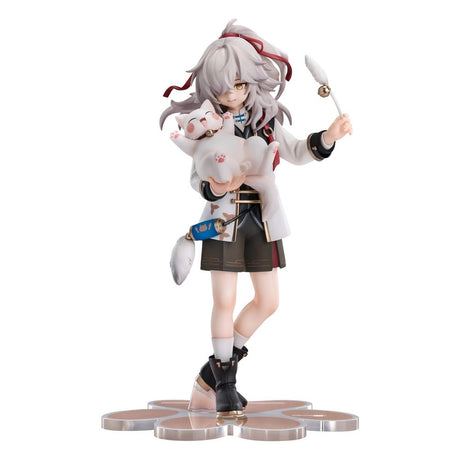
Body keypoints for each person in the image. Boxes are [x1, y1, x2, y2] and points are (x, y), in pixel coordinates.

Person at [160, 19, 353, 418]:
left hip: (262, 219)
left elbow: (297, 151)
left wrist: (329, 136)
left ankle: (210, 377)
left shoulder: (266, 123)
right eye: (224, 86)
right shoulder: (205, 127)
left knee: (269, 301)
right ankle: (225, 385)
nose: (233, 93)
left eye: (240, 83)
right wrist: (214, 186)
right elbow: (196, 176)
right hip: (222, 221)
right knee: (224, 300)